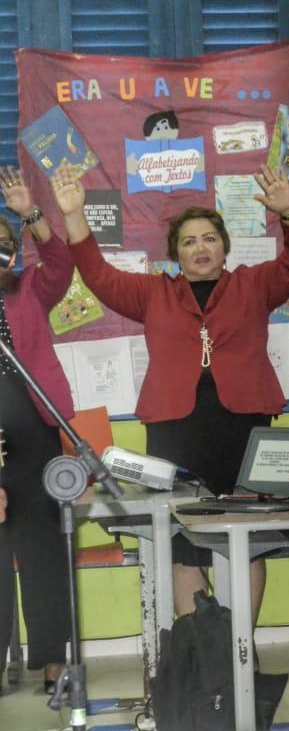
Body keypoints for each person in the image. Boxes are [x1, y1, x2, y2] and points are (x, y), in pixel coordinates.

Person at [51, 163, 289, 620]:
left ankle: (240, 654)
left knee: (245, 541)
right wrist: (74, 215)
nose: (200, 248)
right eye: (189, 241)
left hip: (244, 427)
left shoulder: (254, 284)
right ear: (175, 253)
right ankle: (202, 649)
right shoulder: (154, 293)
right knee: (181, 544)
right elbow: (97, 274)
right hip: (175, 429)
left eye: (209, 238)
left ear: (225, 247)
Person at [0, 166, 73, 694]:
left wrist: (30, 213)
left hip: (33, 430)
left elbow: (61, 261)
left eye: (5, 242)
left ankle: (53, 661)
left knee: (45, 549)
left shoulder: (30, 291)